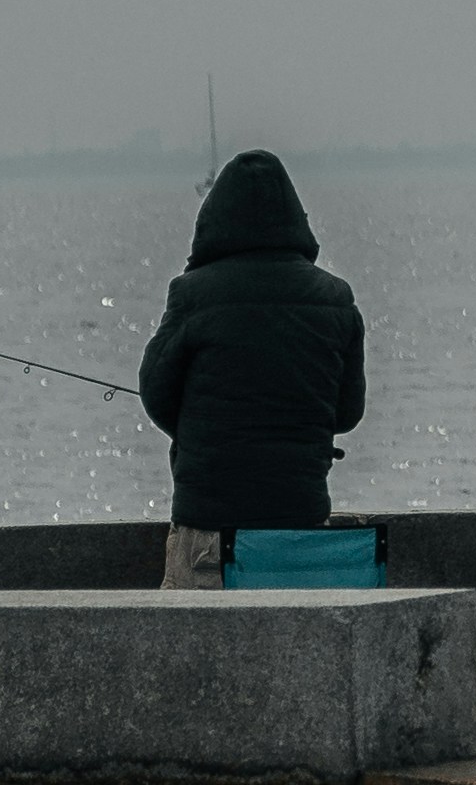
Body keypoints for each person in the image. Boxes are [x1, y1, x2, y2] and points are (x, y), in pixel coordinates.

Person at [137, 151, 365, 589]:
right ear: (296, 218)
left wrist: (198, 430)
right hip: (299, 520)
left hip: (208, 521)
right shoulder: (335, 298)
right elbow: (347, 412)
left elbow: (156, 392)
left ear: (212, 221)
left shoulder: (193, 293)